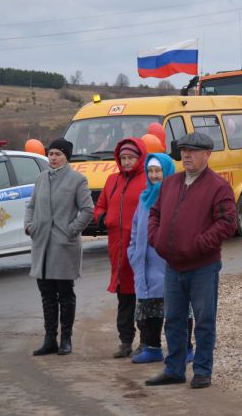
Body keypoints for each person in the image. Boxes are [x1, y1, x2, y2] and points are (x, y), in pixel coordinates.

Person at [145, 132, 237, 389]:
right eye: (184, 150)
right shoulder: (171, 183)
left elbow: (227, 224)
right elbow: (155, 213)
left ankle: (202, 371)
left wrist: (198, 245)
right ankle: (174, 369)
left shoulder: (218, 187)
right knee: (173, 319)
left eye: (193, 151)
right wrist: (157, 239)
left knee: (204, 320)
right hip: (173, 266)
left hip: (202, 267)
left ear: (207, 154)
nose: (186, 154)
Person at [25, 138, 94, 356]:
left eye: (58, 154)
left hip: (64, 245)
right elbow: (32, 204)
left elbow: (87, 210)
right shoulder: (41, 178)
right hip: (42, 244)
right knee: (46, 294)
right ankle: (49, 339)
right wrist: (29, 226)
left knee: (64, 294)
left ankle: (66, 339)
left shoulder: (77, 180)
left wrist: (71, 230)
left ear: (66, 156)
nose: (53, 158)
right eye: (51, 154)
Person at [94, 137, 148, 358]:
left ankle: (146, 342)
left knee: (144, 297)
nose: (126, 162)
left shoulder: (148, 180)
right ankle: (125, 341)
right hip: (117, 248)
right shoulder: (111, 180)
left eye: (130, 158)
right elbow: (100, 207)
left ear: (139, 158)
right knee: (124, 297)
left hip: (141, 247)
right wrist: (104, 218)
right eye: (123, 158)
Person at [127, 152, 176, 364]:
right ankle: (152, 347)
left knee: (176, 310)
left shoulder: (175, 197)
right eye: (151, 171)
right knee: (148, 311)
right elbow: (135, 229)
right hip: (144, 265)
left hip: (167, 263)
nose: (154, 175)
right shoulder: (144, 198)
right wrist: (134, 253)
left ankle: (184, 348)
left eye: (158, 171)